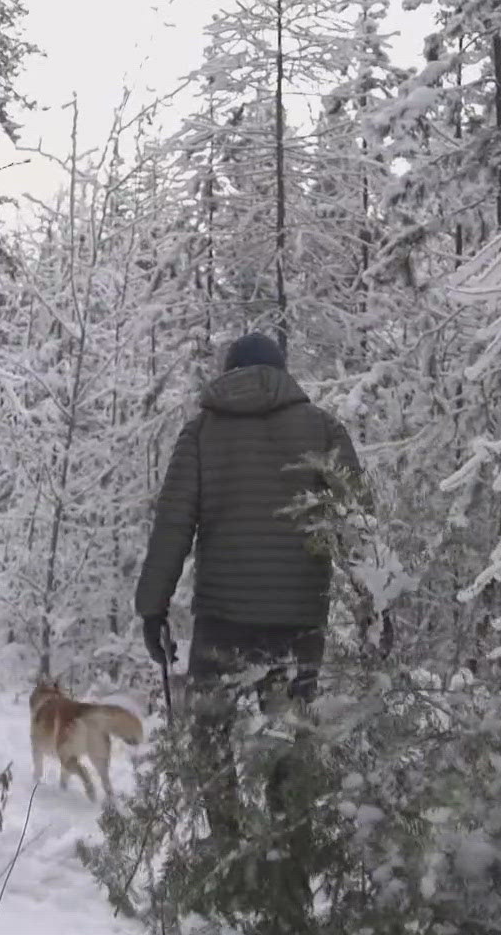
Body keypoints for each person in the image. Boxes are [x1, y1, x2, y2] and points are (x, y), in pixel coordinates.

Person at [133, 331, 368, 860]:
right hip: (298, 619)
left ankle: (227, 853)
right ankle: (286, 869)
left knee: (211, 735)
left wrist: (152, 609)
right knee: (289, 739)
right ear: (283, 373)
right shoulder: (324, 428)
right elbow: (356, 524)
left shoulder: (201, 433)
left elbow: (173, 526)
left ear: (228, 373)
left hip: (223, 618)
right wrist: (374, 604)